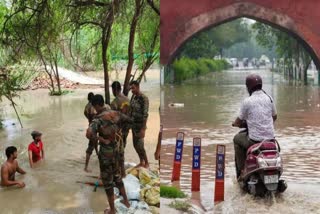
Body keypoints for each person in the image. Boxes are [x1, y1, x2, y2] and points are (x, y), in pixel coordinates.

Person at [86, 94, 132, 214]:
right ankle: (126, 202)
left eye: (94, 107)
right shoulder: (115, 113)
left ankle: (112, 210)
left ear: (96, 105)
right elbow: (129, 120)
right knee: (117, 177)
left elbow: (89, 134)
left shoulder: (97, 119)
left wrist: (101, 139)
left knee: (107, 182)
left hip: (106, 153)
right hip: (117, 150)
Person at [232, 74, 277, 179]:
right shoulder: (269, 98)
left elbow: (238, 122)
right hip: (270, 140)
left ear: (248, 87)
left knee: (236, 139)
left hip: (254, 141)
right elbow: (274, 116)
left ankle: (241, 171)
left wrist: (235, 124)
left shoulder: (247, 101)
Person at [110, 81, 130, 177]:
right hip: (126, 128)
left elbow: (112, 118)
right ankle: (122, 172)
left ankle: (120, 172)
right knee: (122, 147)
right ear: (120, 89)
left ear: (114, 90)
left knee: (118, 150)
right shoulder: (127, 99)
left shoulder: (114, 102)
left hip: (118, 130)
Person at [129, 80, 150, 168]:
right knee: (135, 145)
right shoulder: (133, 97)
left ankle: (147, 163)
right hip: (133, 125)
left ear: (138, 87)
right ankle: (141, 161)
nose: (132, 90)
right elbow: (131, 110)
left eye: (133, 88)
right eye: (131, 89)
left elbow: (145, 114)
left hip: (140, 126)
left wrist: (143, 129)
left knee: (140, 146)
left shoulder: (144, 98)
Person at [84, 92, 98, 172]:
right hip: (94, 128)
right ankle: (86, 167)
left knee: (94, 142)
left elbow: (85, 114)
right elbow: (95, 116)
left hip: (91, 125)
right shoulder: (93, 106)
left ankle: (97, 153)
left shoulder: (87, 106)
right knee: (91, 146)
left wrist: (89, 120)